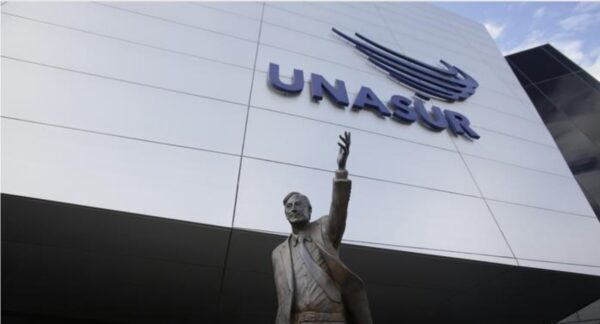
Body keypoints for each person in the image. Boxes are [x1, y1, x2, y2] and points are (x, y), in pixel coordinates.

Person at [272, 132, 372, 324]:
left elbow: (339, 207)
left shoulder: (325, 228)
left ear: (310, 210)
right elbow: (283, 299)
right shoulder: (278, 254)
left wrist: (340, 171)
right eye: (289, 206)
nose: (294, 209)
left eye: (298, 204)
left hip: (331, 319)